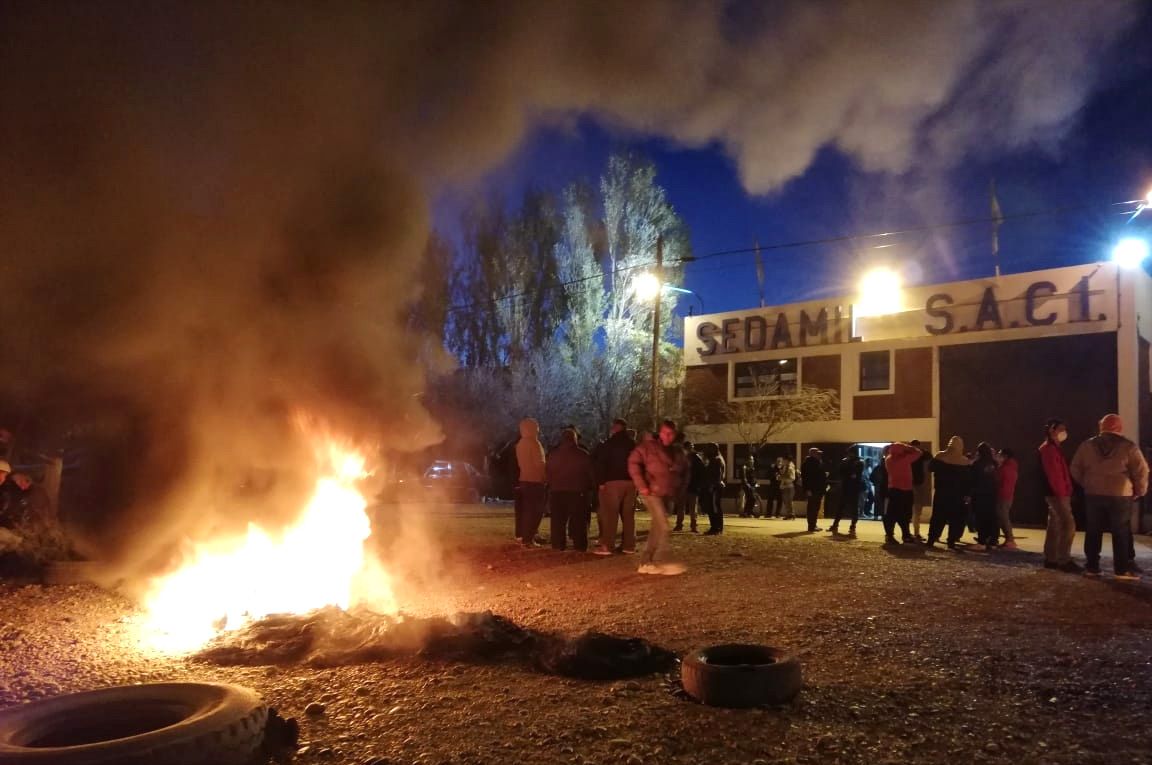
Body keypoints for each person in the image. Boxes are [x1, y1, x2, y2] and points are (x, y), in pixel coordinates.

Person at [1070, 414, 1149, 581]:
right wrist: (1139, 491)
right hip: (1120, 494)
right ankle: (1121, 569)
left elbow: (1075, 468)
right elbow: (1141, 471)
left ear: (1101, 427)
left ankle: (1092, 567)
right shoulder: (1128, 446)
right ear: (1119, 428)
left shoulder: (1087, 445)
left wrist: (1087, 482)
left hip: (1093, 493)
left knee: (1093, 530)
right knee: (1120, 531)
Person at [628, 419, 689, 575]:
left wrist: (679, 489)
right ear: (660, 433)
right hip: (651, 492)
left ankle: (646, 561)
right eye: (665, 433)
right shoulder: (648, 448)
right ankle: (663, 560)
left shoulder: (678, 452)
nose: (667, 436)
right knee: (662, 525)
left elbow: (686, 472)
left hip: (667, 493)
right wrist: (642, 485)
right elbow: (633, 462)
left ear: (674, 435)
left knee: (657, 528)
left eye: (671, 434)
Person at [591, 419, 637, 555]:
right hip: (630, 483)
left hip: (612, 482)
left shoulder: (609, 444)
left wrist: (600, 482)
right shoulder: (632, 445)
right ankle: (629, 545)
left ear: (616, 428)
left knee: (610, 514)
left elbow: (601, 463)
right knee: (628, 515)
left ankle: (608, 545)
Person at [1039, 418, 1079, 573]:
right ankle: (1064, 559)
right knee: (1068, 525)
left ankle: (1051, 558)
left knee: (1054, 525)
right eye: (1061, 429)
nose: (1064, 432)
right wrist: (1063, 492)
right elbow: (1054, 475)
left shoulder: (1054, 448)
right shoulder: (1049, 449)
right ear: (1052, 430)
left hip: (1058, 492)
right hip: (1057, 494)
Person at [545, 429, 595, 552]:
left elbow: (548, 473)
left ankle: (558, 544)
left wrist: (551, 485)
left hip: (557, 491)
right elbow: (590, 473)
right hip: (578, 492)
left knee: (558, 520)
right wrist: (591, 488)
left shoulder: (553, 454)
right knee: (579, 520)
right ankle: (580, 545)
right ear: (575, 439)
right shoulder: (582, 454)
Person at [926, 437, 973, 549]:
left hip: (942, 493)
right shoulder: (964, 461)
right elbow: (968, 481)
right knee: (955, 519)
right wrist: (967, 495)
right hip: (958, 495)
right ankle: (951, 541)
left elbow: (930, 468)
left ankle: (932, 539)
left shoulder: (940, 457)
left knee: (938, 518)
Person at [513, 417, 547, 548]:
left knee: (527, 511)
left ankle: (525, 537)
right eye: (536, 427)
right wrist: (545, 477)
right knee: (536, 511)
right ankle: (529, 538)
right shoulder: (534, 443)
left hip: (524, 480)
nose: (538, 429)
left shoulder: (520, 444)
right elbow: (540, 464)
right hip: (535, 480)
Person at [883, 442, 922, 545]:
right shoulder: (904, 459)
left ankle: (890, 535)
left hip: (894, 489)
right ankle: (906, 535)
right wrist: (907, 447)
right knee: (905, 514)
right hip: (906, 490)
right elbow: (918, 452)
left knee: (892, 514)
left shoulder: (888, 459)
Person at [970, 442, 1000, 550]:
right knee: (992, 517)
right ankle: (993, 541)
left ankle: (982, 541)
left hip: (980, 494)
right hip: (992, 494)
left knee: (981, 518)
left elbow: (972, 480)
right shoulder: (994, 463)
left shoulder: (977, 464)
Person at [830, 446, 865, 536]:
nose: (849, 454)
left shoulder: (858, 462)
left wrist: (848, 473)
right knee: (843, 507)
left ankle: (851, 525)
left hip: (852, 487)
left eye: (850, 452)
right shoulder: (848, 461)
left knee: (850, 507)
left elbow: (853, 473)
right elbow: (841, 471)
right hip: (849, 487)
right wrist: (849, 473)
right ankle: (837, 524)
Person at [677, 442, 705, 532]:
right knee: (685, 507)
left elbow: (701, 472)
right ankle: (682, 525)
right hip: (688, 486)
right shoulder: (693, 458)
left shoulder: (695, 458)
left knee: (690, 507)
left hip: (691, 486)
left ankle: (691, 525)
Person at [995, 447, 1019, 549]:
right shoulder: (1012, 466)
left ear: (1005, 456)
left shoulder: (1005, 468)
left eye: (1000, 454)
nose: (998, 456)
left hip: (1002, 496)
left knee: (1004, 518)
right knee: (1003, 517)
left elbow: (999, 481)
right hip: (1008, 495)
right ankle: (1009, 539)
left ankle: (1010, 539)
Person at [701, 443, 727, 535]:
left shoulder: (716, 460)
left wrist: (712, 486)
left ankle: (716, 528)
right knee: (715, 507)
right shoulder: (718, 459)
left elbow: (718, 475)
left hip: (715, 487)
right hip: (716, 486)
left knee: (714, 507)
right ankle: (717, 527)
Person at [800, 448, 827, 532]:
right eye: (817, 454)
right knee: (812, 507)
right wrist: (807, 489)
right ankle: (811, 526)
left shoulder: (817, 462)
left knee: (815, 507)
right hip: (813, 489)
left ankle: (813, 524)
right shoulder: (808, 464)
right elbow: (806, 478)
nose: (819, 455)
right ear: (812, 454)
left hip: (818, 488)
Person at [910, 440, 931, 541]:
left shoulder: (916, 455)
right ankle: (915, 533)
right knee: (916, 510)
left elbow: (929, 456)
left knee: (916, 510)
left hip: (913, 484)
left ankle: (914, 533)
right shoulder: (914, 455)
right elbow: (929, 456)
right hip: (914, 484)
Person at [870, 452, 889, 521]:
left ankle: (876, 515)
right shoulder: (887, 469)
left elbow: (871, 477)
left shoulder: (877, 468)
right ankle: (883, 515)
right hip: (884, 487)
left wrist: (875, 482)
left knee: (878, 501)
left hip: (878, 487)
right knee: (883, 502)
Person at [778, 455, 797, 520]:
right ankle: (790, 514)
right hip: (785, 486)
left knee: (788, 501)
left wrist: (781, 478)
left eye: (783, 460)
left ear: (787, 460)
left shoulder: (790, 467)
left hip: (788, 486)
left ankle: (791, 514)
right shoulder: (785, 466)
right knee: (787, 501)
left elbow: (792, 478)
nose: (782, 461)